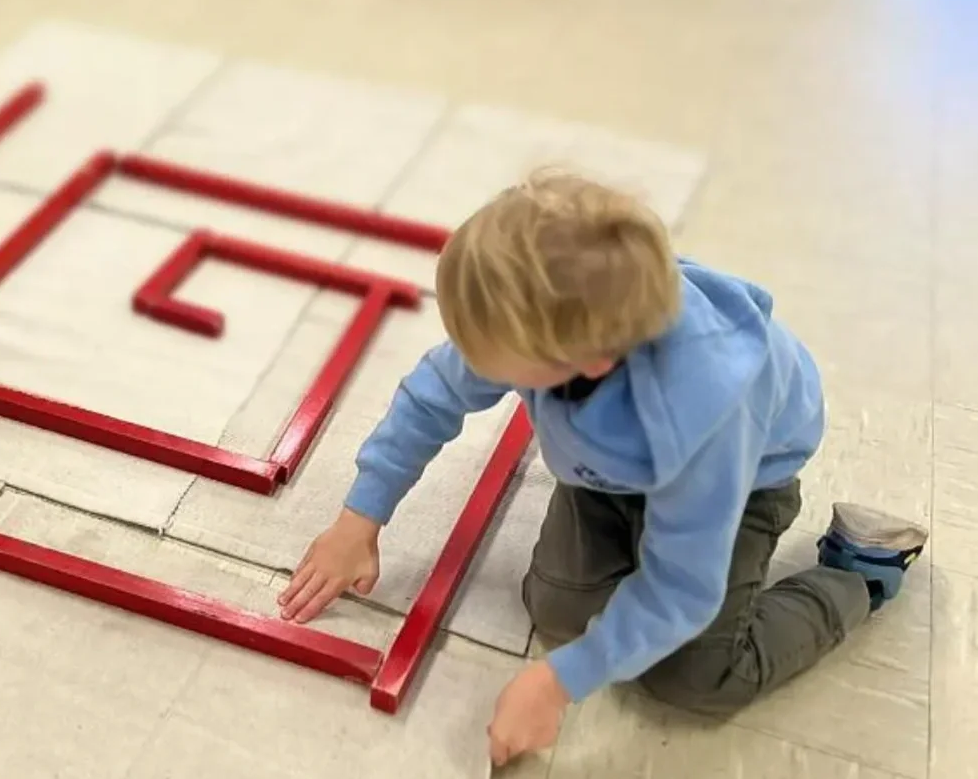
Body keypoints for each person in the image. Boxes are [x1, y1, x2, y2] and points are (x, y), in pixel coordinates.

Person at [276, 170, 927, 767]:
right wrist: (359, 518)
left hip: (740, 481)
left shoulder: (699, 410)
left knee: (694, 678)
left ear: (583, 363)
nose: (479, 369)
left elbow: (681, 589)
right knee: (558, 611)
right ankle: (621, 551)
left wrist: (557, 684)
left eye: (501, 367)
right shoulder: (551, 314)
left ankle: (857, 575)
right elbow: (432, 395)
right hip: (606, 467)